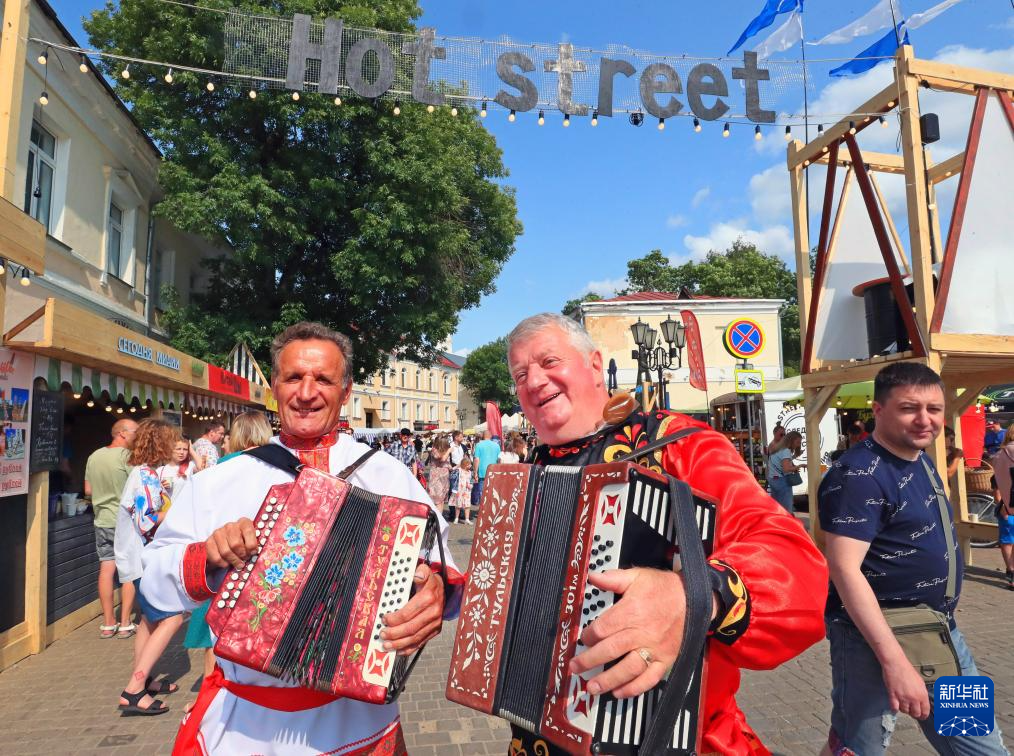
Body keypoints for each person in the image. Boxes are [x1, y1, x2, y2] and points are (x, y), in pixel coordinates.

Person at [503, 313, 827, 756]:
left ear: (595, 365)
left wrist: (694, 596)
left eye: (549, 362)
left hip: (673, 738)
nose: (535, 381)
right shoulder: (525, 480)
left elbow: (793, 563)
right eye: (521, 375)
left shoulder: (679, 445)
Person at [140, 322, 462, 754]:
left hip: (359, 723)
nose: (306, 393)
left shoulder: (387, 473)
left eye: (323, 379)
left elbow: (442, 565)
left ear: (346, 391)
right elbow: (153, 588)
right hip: (244, 727)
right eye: (293, 377)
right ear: (275, 386)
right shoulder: (221, 480)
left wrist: (435, 591)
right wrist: (208, 558)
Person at [818, 362, 1008, 755]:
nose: (925, 419)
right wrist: (895, 662)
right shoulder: (857, 475)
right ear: (879, 410)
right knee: (859, 748)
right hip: (874, 638)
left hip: (938, 631)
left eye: (934, 409)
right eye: (909, 408)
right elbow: (844, 569)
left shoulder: (919, 457)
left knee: (981, 747)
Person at [185, 410, 275, 684]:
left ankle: (211, 688)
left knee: (214, 634)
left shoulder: (219, 468)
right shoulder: (280, 467)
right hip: (262, 561)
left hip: (222, 559)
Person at [114, 419, 184, 715]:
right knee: (173, 618)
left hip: (139, 559)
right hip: (143, 560)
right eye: (171, 440)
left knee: (149, 621)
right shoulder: (146, 476)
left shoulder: (145, 473)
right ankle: (133, 690)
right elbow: (146, 522)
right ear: (161, 443)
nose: (176, 445)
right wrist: (178, 513)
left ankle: (144, 680)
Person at [84, 418, 138, 639]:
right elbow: (137, 489)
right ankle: (125, 622)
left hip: (102, 520)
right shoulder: (128, 457)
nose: (138, 435)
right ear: (122, 433)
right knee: (129, 571)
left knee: (106, 569)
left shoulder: (94, 456)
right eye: (135, 431)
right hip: (124, 522)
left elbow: (88, 490)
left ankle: (108, 623)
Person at [989, 425, 1014, 590]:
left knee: (1007, 540)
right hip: (1008, 504)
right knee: (1008, 540)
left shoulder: (998, 455)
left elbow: (996, 485)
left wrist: (1002, 503)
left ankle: (1011, 571)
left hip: (1006, 505)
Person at [767, 430, 804, 514]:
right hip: (782, 481)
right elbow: (786, 469)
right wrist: (799, 466)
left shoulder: (778, 449)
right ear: (791, 440)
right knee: (787, 510)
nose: (799, 445)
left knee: (777, 508)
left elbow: (781, 463)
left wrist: (794, 457)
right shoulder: (786, 451)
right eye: (797, 442)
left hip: (774, 480)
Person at [472, 430, 500, 508]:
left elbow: (476, 459)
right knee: (493, 491)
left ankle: (484, 509)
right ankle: (491, 509)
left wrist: (475, 472)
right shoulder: (497, 446)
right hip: (494, 471)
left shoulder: (479, 445)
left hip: (482, 472)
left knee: (482, 492)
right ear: (490, 436)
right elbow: (499, 460)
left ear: (483, 436)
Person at [426, 434, 452, 516]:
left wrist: (451, 467)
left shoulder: (444, 451)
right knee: (436, 499)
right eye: (446, 443)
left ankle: (439, 518)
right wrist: (449, 451)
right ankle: (436, 518)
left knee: (441, 500)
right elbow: (442, 459)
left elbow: (446, 462)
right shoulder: (434, 450)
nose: (447, 445)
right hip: (436, 478)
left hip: (444, 477)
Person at [449, 455, 474, 525]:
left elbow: (471, 480)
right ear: (465, 465)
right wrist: (456, 467)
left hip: (467, 491)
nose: (470, 465)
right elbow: (451, 476)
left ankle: (467, 519)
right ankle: (456, 518)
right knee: (458, 505)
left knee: (467, 505)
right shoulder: (459, 471)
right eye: (469, 464)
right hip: (459, 490)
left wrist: (471, 485)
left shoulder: (470, 472)